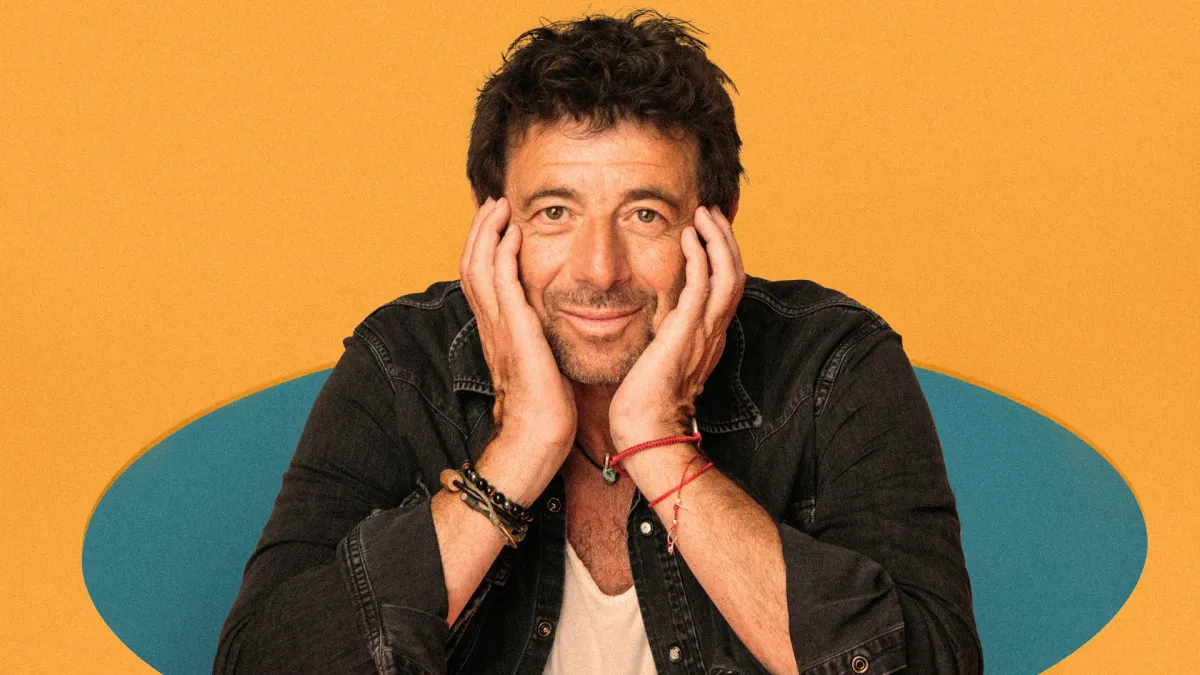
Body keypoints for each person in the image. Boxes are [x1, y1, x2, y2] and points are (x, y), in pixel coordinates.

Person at [214, 9, 982, 675]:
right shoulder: (402, 366)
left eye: (645, 214)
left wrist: (662, 447)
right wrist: (518, 452)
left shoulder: (832, 367)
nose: (600, 269)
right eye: (555, 212)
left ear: (715, 222)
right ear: (495, 222)